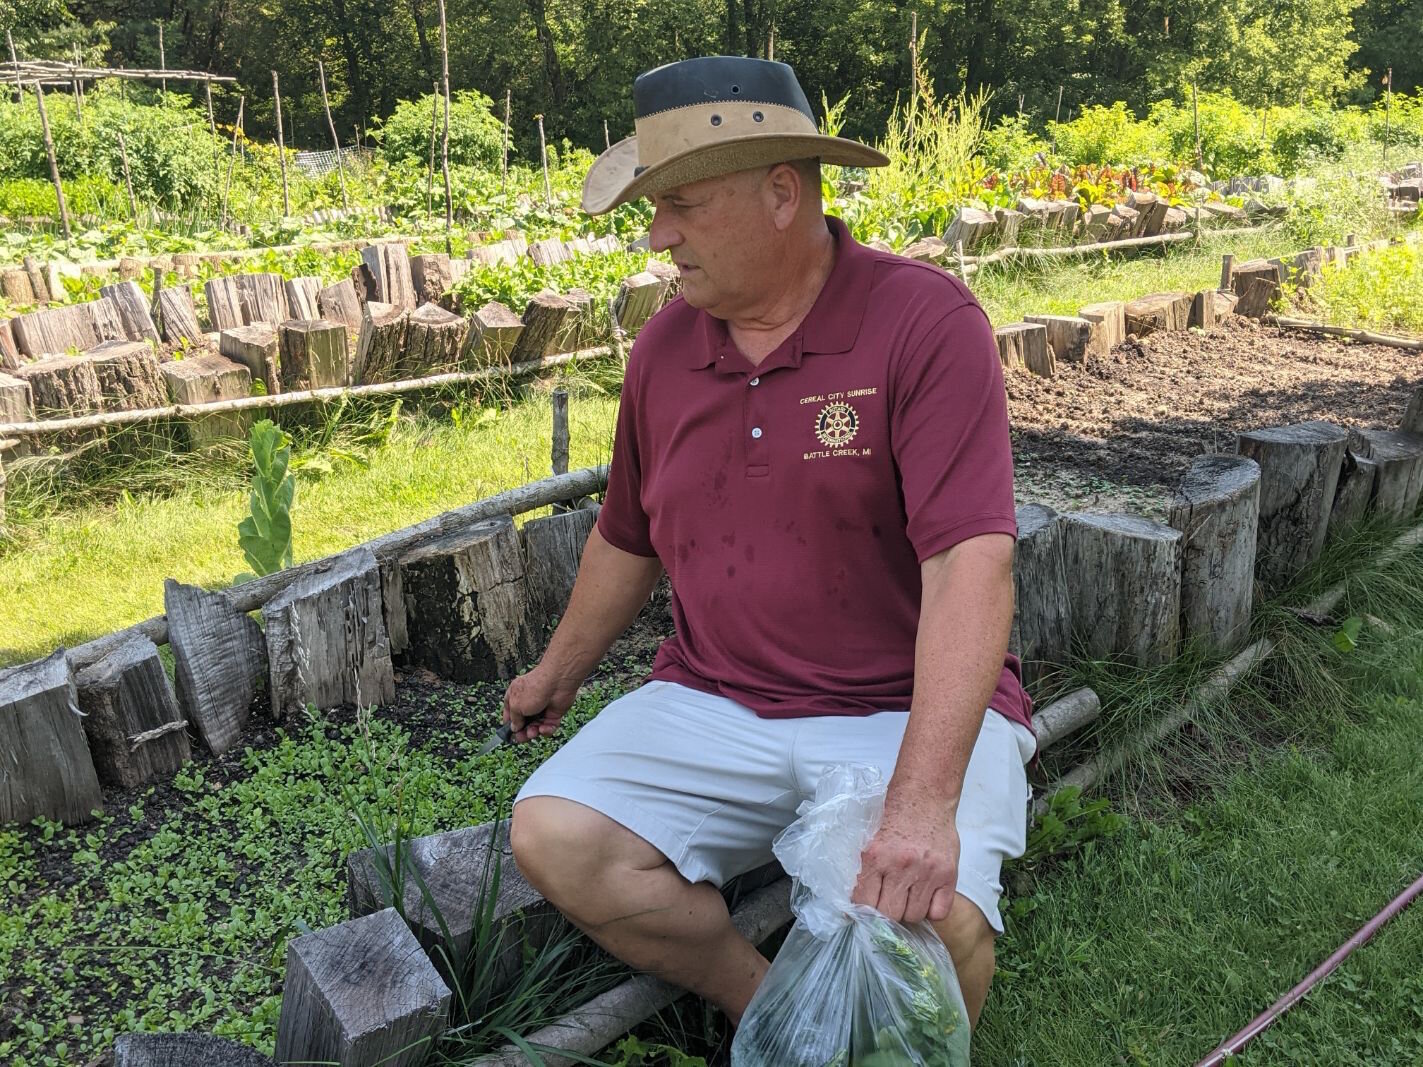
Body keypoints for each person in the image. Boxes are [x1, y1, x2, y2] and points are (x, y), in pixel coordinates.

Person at [503, 55, 1036, 1034]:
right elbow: (628, 536)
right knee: (556, 834)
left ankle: (891, 1041)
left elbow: (971, 560)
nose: (658, 235)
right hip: (714, 698)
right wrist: (556, 675)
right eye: (654, 207)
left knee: (936, 916)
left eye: (683, 204)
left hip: (896, 705)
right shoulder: (665, 348)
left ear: (780, 193)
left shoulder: (921, 323)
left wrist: (919, 806)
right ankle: (774, 1012)